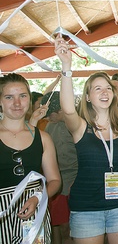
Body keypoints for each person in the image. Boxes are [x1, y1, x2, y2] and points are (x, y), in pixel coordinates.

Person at [54, 38, 118, 243]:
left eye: (108, 88)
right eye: (97, 89)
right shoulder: (81, 128)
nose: (104, 92)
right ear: (87, 97)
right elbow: (68, 108)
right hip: (86, 210)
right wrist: (66, 66)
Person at [0, 73, 61, 244]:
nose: (17, 103)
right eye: (9, 97)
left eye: (23, 96)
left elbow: (55, 180)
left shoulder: (43, 138)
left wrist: (38, 197)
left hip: (35, 213)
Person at [41, 91, 77, 244]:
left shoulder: (76, 124)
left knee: (76, 224)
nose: (49, 118)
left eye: (51, 114)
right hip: (58, 181)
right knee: (60, 223)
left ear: (61, 110)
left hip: (77, 179)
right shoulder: (50, 127)